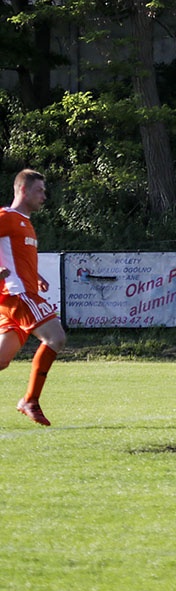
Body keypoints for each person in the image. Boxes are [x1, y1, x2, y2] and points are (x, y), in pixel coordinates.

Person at [0, 169, 66, 426]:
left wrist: (35, 275)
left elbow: (15, 257)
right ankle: (30, 400)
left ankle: (29, 400)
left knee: (3, 360)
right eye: (39, 190)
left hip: (18, 295)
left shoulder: (25, 223)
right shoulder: (7, 217)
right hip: (18, 295)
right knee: (56, 337)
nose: (44, 196)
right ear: (23, 190)